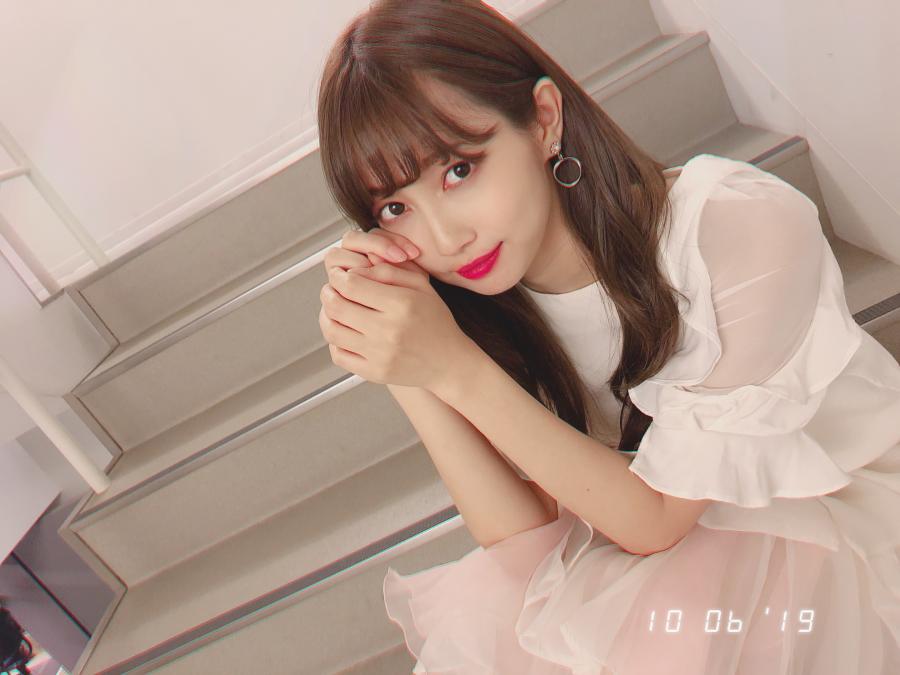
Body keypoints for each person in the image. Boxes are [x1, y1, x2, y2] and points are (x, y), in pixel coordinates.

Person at [314, 1, 900, 672]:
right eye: (396, 207)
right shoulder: (488, 311)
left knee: (673, 626)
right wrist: (400, 358)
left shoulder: (736, 229)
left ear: (543, 119)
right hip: (690, 554)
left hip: (840, 519)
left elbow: (656, 521)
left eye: (459, 170)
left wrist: (454, 369)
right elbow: (526, 555)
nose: (446, 237)